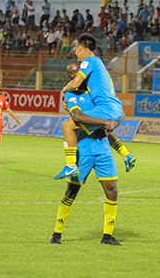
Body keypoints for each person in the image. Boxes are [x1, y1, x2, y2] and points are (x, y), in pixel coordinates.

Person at [50, 89, 121, 246]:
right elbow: (78, 118)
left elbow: (114, 117)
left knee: (112, 191)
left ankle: (107, 236)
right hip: (84, 151)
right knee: (71, 192)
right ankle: (57, 233)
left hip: (103, 151)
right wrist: (103, 122)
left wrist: (123, 151)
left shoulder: (96, 93)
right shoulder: (71, 96)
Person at [55, 34, 125, 179]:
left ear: (79, 48)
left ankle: (71, 166)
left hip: (106, 108)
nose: (75, 52)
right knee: (80, 124)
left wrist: (63, 92)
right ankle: (125, 154)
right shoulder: (99, 64)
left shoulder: (89, 61)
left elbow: (75, 83)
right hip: (115, 107)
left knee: (68, 126)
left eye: (75, 49)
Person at [63, 61, 136, 170]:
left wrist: (109, 127)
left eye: (78, 70)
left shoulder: (93, 88)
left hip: (94, 145)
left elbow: (121, 115)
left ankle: (70, 165)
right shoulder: (72, 93)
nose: (76, 73)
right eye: (72, 72)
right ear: (69, 76)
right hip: (88, 140)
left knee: (70, 125)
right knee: (97, 128)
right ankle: (125, 154)